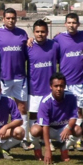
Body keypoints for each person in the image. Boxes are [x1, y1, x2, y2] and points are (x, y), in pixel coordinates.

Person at [0, 8, 30, 149]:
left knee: (22, 108)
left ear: (16, 19)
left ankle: (23, 137)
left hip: (20, 77)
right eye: (8, 18)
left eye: (13, 18)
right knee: (1, 109)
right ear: (3, 19)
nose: (11, 20)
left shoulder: (22, 33)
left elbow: (27, 51)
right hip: (2, 78)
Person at [53, 13, 83, 150]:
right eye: (69, 22)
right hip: (64, 82)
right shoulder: (58, 38)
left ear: (78, 24)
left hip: (80, 81)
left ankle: (78, 139)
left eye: (74, 22)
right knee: (65, 111)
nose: (71, 25)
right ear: (65, 24)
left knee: (79, 110)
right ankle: (66, 138)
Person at [29, 73, 80, 164]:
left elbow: (74, 116)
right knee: (34, 130)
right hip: (49, 129)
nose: (59, 89)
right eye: (56, 86)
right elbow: (45, 126)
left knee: (78, 130)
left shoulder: (71, 97)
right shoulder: (45, 101)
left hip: (63, 128)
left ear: (65, 86)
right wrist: (47, 149)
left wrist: (68, 128)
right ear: (51, 86)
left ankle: (64, 149)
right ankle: (37, 147)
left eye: (61, 86)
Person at [26, 19, 59, 150]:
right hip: (34, 88)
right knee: (33, 115)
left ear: (47, 32)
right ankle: (34, 141)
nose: (40, 34)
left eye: (43, 31)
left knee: (48, 115)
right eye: (37, 31)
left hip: (50, 89)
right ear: (33, 32)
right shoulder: (28, 46)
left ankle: (47, 140)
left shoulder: (54, 45)